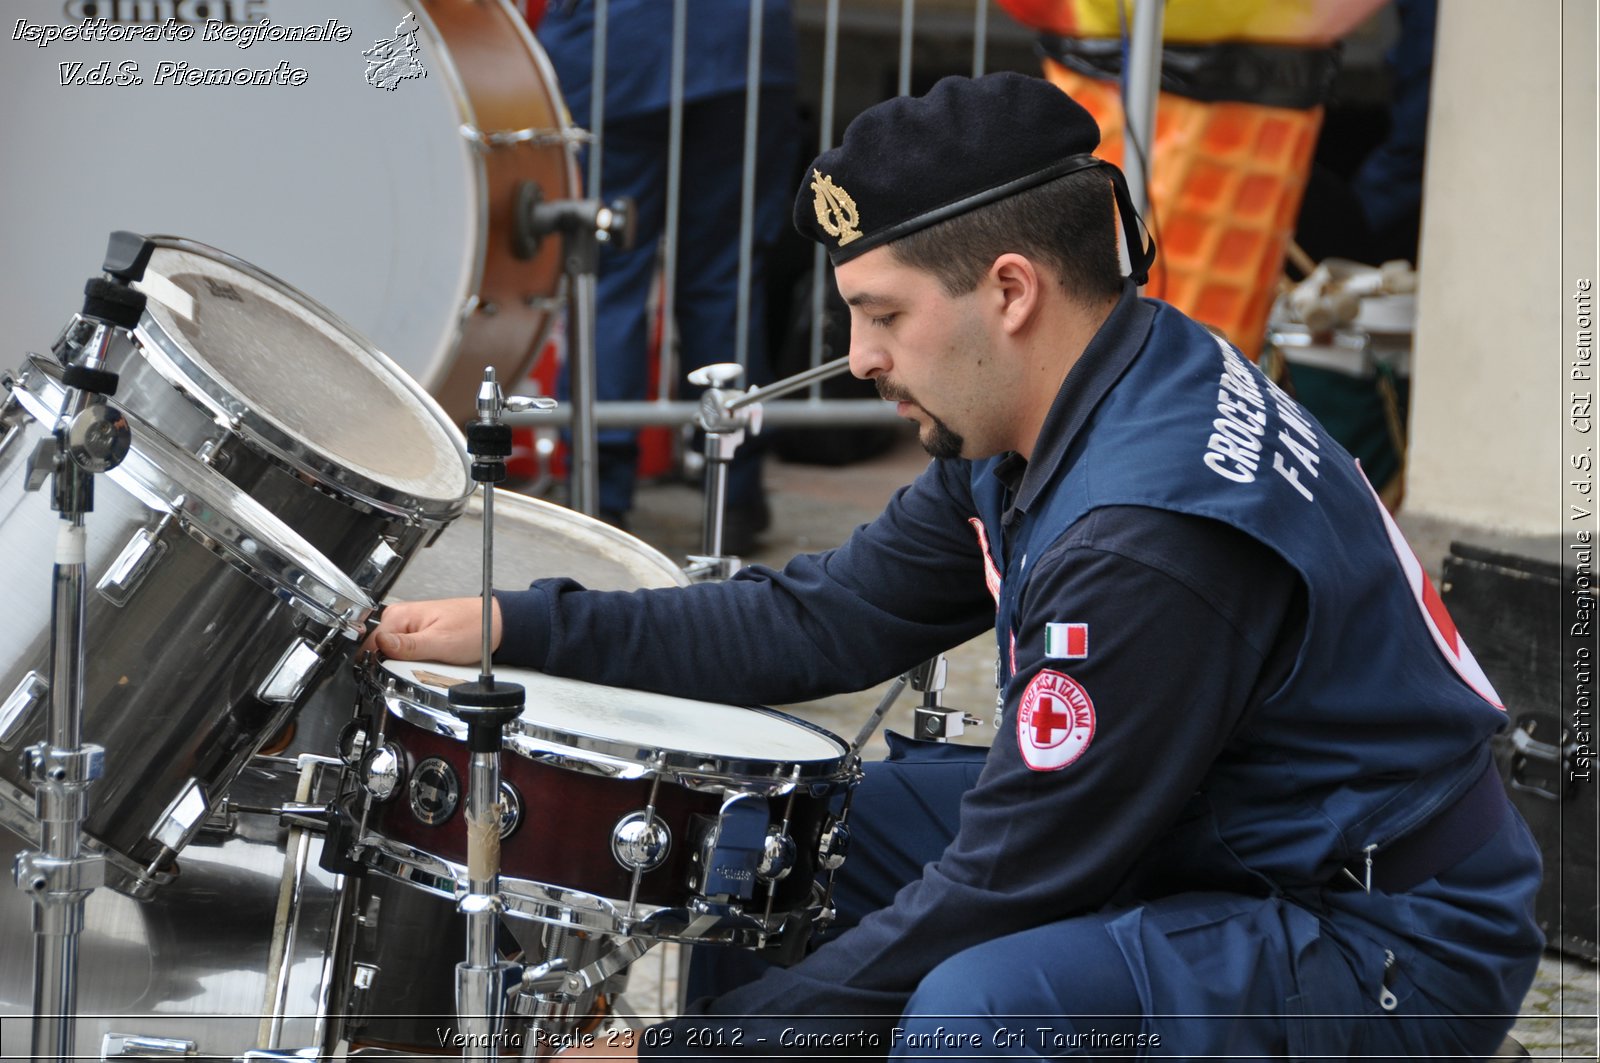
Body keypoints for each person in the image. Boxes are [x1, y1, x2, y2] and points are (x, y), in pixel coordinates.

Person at [373, 73, 1543, 1059]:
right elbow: (823, 621)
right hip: (1236, 835)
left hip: (1387, 937)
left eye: (879, 313)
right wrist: (511, 624)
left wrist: (682, 1049)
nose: (855, 357)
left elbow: (1010, 882)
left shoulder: (1148, 535)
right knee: (774, 842)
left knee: (978, 1014)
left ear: (1010, 292)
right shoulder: (1081, 388)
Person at [535, 0, 797, 549]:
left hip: (616, 47)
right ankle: (733, 490)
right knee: (725, 277)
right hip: (741, 45)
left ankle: (597, 489)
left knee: (605, 275)